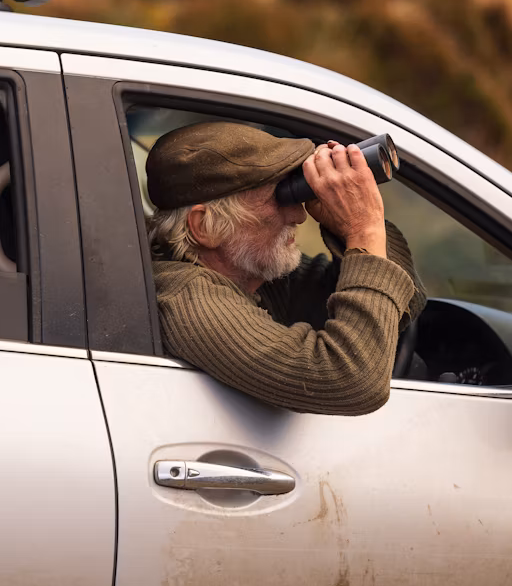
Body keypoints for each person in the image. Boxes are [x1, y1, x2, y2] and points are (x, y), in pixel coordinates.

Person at [145, 122, 427, 415]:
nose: (298, 215)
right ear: (204, 226)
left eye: (292, 193)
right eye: (278, 198)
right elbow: (352, 381)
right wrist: (363, 229)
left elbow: (397, 303)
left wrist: (348, 224)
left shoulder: (249, 272)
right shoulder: (190, 299)